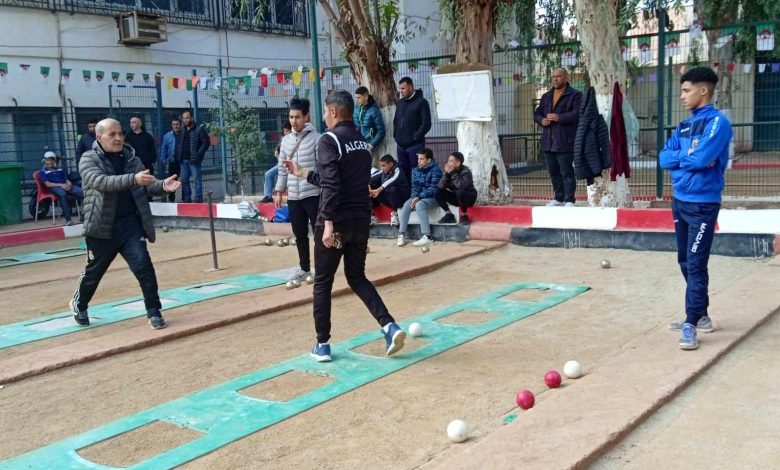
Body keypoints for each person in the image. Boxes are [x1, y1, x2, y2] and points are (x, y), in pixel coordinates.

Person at [283, 90, 406, 362]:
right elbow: (340, 180)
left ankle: (322, 344)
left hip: (336, 221)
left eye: (326, 112)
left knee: (323, 282)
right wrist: (302, 173)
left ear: (334, 112)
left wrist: (327, 223)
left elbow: (332, 185)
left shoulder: (329, 139)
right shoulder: (362, 142)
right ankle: (389, 326)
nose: (324, 117)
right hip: (360, 219)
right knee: (357, 277)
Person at [70, 118, 181, 329]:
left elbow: (145, 185)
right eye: (112, 135)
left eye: (120, 133)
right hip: (101, 227)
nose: (119, 138)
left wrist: (162, 186)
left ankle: (154, 310)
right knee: (95, 272)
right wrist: (134, 179)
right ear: (99, 137)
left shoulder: (132, 158)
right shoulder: (88, 159)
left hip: (130, 225)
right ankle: (80, 303)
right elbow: (101, 182)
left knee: (143, 266)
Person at [660, 67, 732, 350]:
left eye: (686, 90)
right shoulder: (684, 126)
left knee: (696, 262)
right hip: (680, 201)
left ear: (703, 91)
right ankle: (701, 315)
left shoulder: (718, 123)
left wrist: (690, 157)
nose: (682, 96)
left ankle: (691, 322)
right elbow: (665, 158)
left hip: (703, 204)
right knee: (685, 261)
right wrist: (687, 156)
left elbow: (702, 158)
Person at [274, 98, 321, 282]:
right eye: (291, 117)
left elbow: (321, 168)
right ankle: (304, 268)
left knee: (319, 233)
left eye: (297, 117)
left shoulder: (317, 139)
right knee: (300, 233)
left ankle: (321, 268)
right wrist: (279, 191)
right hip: (293, 195)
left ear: (306, 117)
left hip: (313, 193)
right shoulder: (285, 141)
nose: (294, 121)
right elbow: (281, 168)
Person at [533, 68, 582, 207]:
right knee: (554, 172)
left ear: (566, 78)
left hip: (565, 140)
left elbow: (578, 114)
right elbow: (537, 113)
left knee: (566, 172)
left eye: (558, 76)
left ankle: (569, 200)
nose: (555, 79)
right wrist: (541, 120)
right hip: (548, 141)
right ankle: (559, 198)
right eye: (553, 76)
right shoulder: (546, 96)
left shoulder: (575, 95)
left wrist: (559, 117)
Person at [397, 148, 442, 247]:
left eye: (421, 159)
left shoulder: (436, 170)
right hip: (420, 197)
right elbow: (415, 187)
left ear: (429, 160)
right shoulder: (416, 170)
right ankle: (401, 234)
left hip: (434, 198)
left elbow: (433, 189)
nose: (418, 161)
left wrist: (419, 197)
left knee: (420, 205)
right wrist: (414, 197)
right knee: (407, 204)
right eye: (418, 159)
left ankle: (427, 236)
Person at [393, 76, 431, 181]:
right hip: (400, 145)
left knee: (417, 172)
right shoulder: (400, 103)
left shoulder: (422, 102)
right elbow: (396, 121)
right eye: (400, 88)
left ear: (410, 87)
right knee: (403, 172)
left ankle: (417, 196)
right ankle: (406, 195)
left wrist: (415, 137)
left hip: (415, 145)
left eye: (403, 88)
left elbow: (426, 123)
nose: (401, 91)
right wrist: (396, 136)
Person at [40, 151, 84, 226]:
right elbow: (48, 184)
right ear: (44, 161)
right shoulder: (43, 172)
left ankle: (84, 215)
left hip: (65, 186)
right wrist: (61, 185)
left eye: (52, 160)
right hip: (54, 187)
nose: (50, 162)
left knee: (83, 193)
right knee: (63, 195)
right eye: (48, 160)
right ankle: (68, 220)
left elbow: (66, 179)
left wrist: (69, 183)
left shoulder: (60, 170)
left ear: (54, 161)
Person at [436, 151, 477, 225]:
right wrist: (446, 174)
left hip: (468, 198)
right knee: (437, 191)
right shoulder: (450, 172)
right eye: (448, 161)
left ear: (458, 163)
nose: (448, 163)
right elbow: (441, 186)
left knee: (460, 191)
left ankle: (464, 215)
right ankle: (449, 215)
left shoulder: (466, 172)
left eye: (451, 161)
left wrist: (452, 173)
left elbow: (461, 186)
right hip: (457, 197)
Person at [370, 154, 410, 226]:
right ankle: (372, 215)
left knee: (392, 188)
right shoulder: (383, 172)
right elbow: (372, 177)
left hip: (402, 199)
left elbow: (392, 180)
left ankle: (395, 214)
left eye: (384, 165)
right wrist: (367, 184)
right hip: (390, 199)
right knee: (371, 189)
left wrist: (380, 189)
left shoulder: (398, 170)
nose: (382, 168)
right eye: (381, 166)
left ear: (391, 164)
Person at [180, 110, 210, 203]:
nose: (185, 120)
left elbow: (206, 143)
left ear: (192, 118)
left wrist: (198, 154)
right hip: (183, 159)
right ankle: (187, 199)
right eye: (184, 118)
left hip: (194, 160)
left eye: (187, 117)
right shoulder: (183, 129)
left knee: (197, 180)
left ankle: (198, 199)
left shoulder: (199, 128)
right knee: (184, 180)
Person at [262, 121, 292, 203]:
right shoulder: (283, 140)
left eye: (288, 131)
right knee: (268, 174)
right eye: (285, 130)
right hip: (281, 164)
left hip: (291, 165)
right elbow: (279, 154)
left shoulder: (294, 140)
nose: (286, 133)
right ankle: (268, 196)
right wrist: (277, 155)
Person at [353, 86, 386, 153]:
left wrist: (371, 145)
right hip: (356, 145)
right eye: (356, 97)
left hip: (368, 146)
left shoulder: (374, 111)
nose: (357, 100)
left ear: (366, 97)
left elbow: (381, 131)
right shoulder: (355, 109)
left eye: (359, 97)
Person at [159, 117, 183, 202]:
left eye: (177, 124)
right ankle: (171, 199)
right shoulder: (167, 136)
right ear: (171, 125)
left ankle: (185, 199)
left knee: (184, 180)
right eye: (174, 124)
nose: (175, 126)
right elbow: (164, 148)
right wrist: (163, 159)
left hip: (183, 161)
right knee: (172, 181)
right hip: (173, 162)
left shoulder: (184, 134)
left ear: (180, 125)